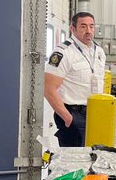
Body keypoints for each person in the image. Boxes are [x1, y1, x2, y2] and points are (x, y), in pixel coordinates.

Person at [44, 12, 107, 147]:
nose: (88, 31)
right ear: (73, 28)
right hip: (73, 113)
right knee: (73, 161)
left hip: (96, 113)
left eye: (91, 26)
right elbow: (48, 89)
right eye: (83, 26)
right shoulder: (63, 52)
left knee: (94, 155)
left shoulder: (99, 52)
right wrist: (67, 118)